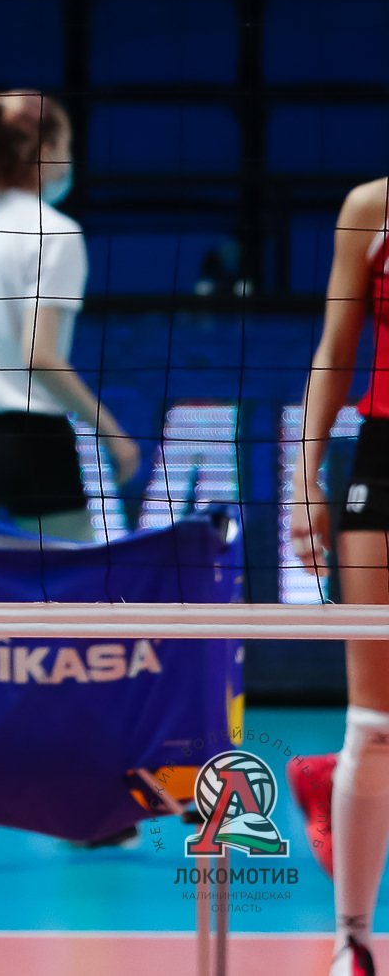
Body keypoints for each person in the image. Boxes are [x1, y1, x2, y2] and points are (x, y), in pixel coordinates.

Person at [0, 91, 138, 544]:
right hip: (31, 443)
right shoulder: (56, 233)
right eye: (68, 147)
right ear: (47, 150)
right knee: (76, 583)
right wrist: (112, 434)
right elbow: (38, 356)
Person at [287, 177, 389, 976]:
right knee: (376, 724)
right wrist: (305, 475)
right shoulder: (371, 209)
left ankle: (332, 788)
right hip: (385, 463)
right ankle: (351, 940)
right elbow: (335, 347)